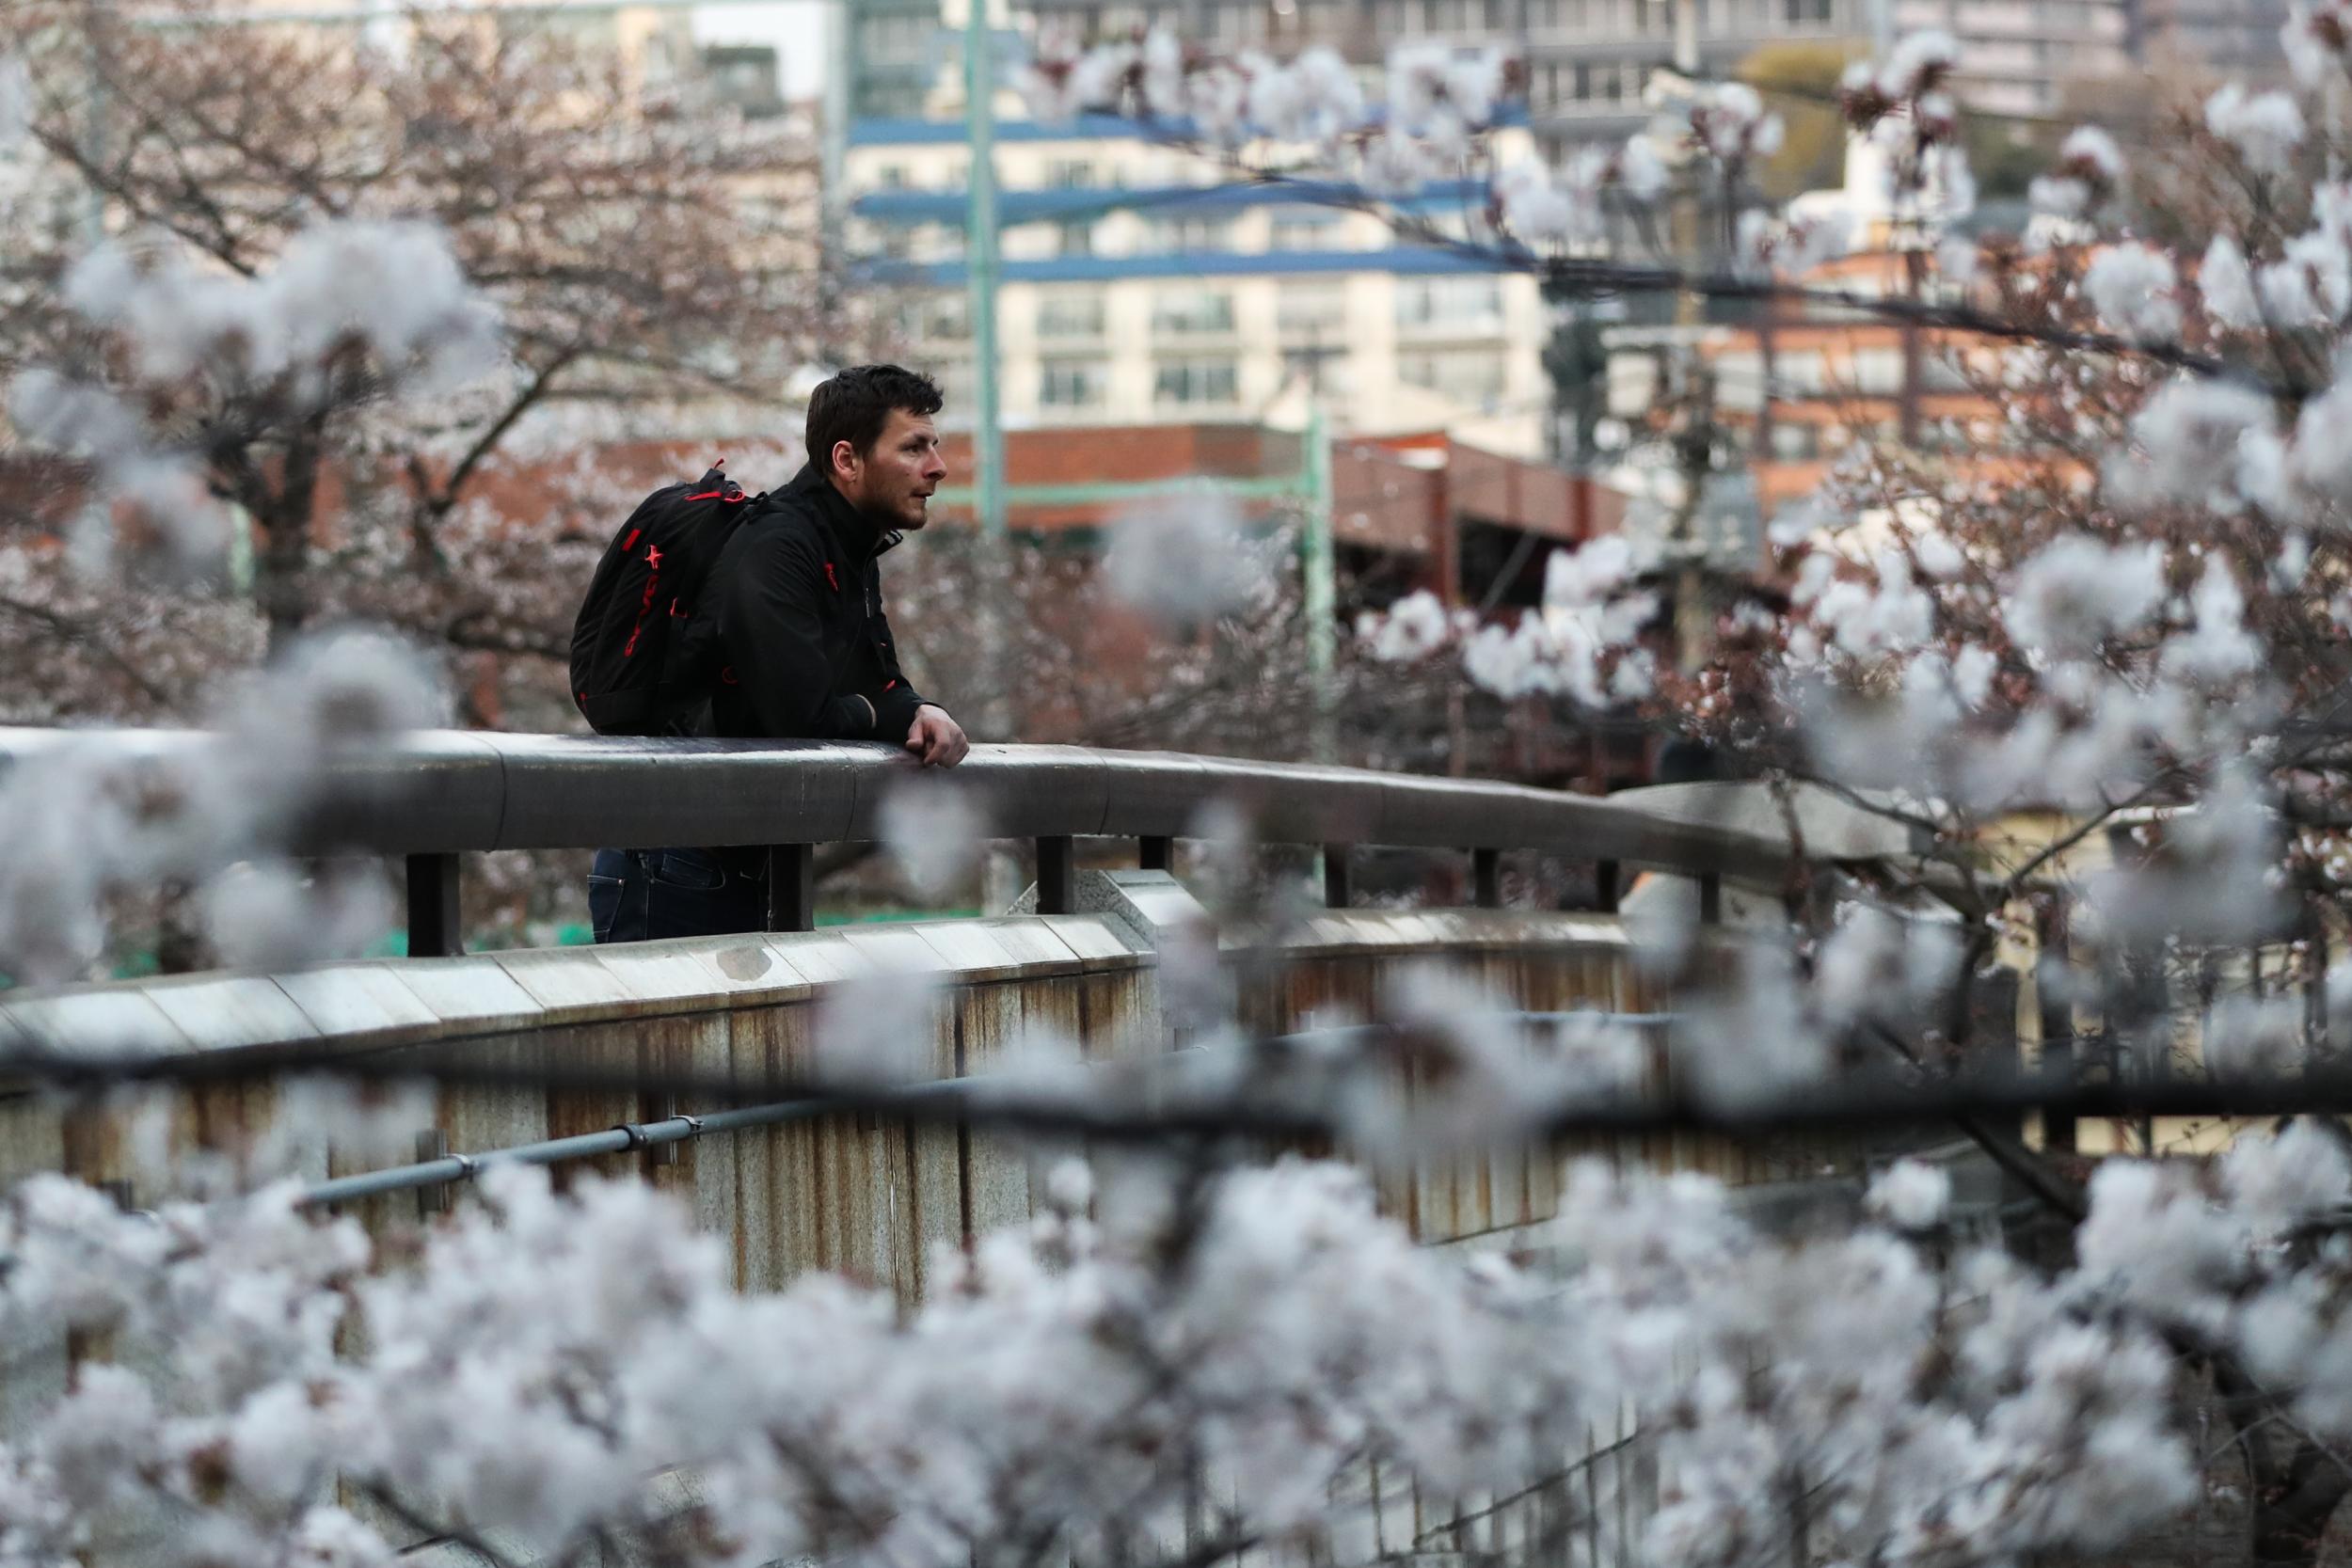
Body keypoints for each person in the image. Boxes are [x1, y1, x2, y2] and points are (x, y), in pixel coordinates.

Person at [590, 365, 971, 942]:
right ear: (847, 460)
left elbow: (878, 675)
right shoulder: (780, 549)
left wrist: (921, 707)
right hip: (673, 866)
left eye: (934, 446)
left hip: (733, 860)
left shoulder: (844, 546)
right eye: (915, 447)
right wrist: (887, 714)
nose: (937, 466)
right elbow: (803, 718)